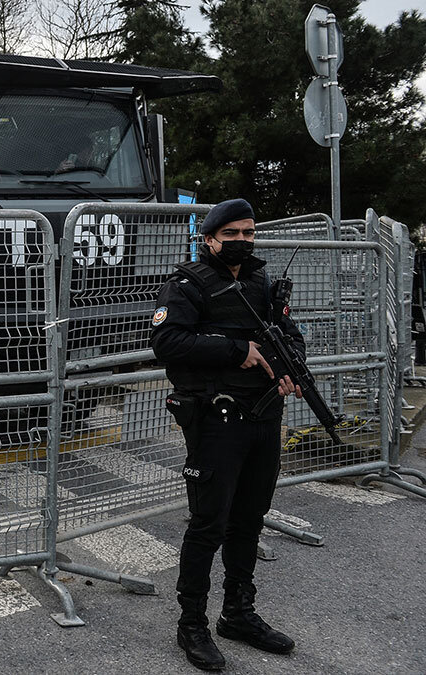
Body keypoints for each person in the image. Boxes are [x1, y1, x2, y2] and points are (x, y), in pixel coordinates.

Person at [150, 198, 303, 671]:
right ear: (209, 238)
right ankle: (191, 623)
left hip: (264, 417)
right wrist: (237, 350)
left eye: (248, 233)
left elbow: (289, 333)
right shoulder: (186, 285)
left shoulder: (260, 283)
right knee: (208, 524)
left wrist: (288, 366)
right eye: (230, 233)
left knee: (249, 519)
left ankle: (237, 613)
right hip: (216, 420)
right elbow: (166, 341)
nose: (241, 241)